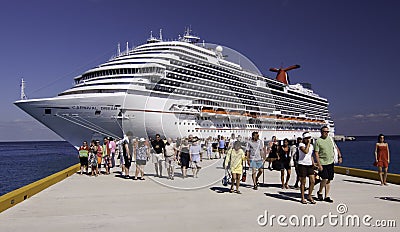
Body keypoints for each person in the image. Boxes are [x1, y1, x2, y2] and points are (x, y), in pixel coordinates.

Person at [314, 126, 342, 203]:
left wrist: (339, 156)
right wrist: (319, 164)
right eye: (324, 131)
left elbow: (335, 148)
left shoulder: (330, 139)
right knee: (324, 178)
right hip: (323, 163)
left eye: (327, 132)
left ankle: (326, 196)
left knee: (329, 180)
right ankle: (319, 192)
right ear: (321, 132)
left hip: (330, 162)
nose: (326, 133)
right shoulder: (318, 141)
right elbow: (316, 153)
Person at [298, 132, 316, 204]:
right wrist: (308, 144)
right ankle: (302, 197)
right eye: (307, 138)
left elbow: (310, 155)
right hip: (302, 164)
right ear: (304, 139)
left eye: (309, 138)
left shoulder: (311, 146)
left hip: (309, 165)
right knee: (303, 182)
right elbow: (305, 151)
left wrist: (313, 163)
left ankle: (309, 195)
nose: (308, 139)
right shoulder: (301, 145)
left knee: (313, 181)